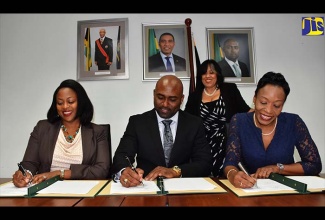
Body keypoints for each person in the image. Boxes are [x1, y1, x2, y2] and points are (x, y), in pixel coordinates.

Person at [223, 72, 322, 188]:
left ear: (283, 105)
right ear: (254, 99)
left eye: (276, 106)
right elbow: (230, 163)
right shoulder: (239, 121)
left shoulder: (293, 122)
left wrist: (278, 168)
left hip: (284, 192)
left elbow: (314, 165)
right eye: (263, 102)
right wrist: (233, 175)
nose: (268, 110)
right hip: (249, 191)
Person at [111, 75, 212, 187]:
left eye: (172, 99)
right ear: (154, 94)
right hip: (147, 188)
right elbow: (121, 155)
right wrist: (125, 171)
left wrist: (175, 171)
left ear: (182, 99)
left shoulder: (194, 123)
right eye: (160, 97)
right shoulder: (137, 122)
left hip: (183, 189)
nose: (165, 104)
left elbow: (205, 163)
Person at [12, 79, 111, 187]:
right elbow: (29, 163)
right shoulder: (42, 128)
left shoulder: (97, 132)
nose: (64, 106)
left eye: (70, 102)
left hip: (83, 191)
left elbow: (102, 170)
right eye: (60, 103)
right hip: (46, 191)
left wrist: (60, 173)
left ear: (81, 103)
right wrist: (25, 173)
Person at [184, 59, 252, 177]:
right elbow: (186, 121)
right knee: (205, 178)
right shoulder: (194, 96)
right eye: (204, 73)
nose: (208, 76)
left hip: (226, 144)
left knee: (226, 177)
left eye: (211, 72)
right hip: (203, 146)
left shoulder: (229, 89)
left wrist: (261, 108)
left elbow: (246, 112)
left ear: (218, 75)